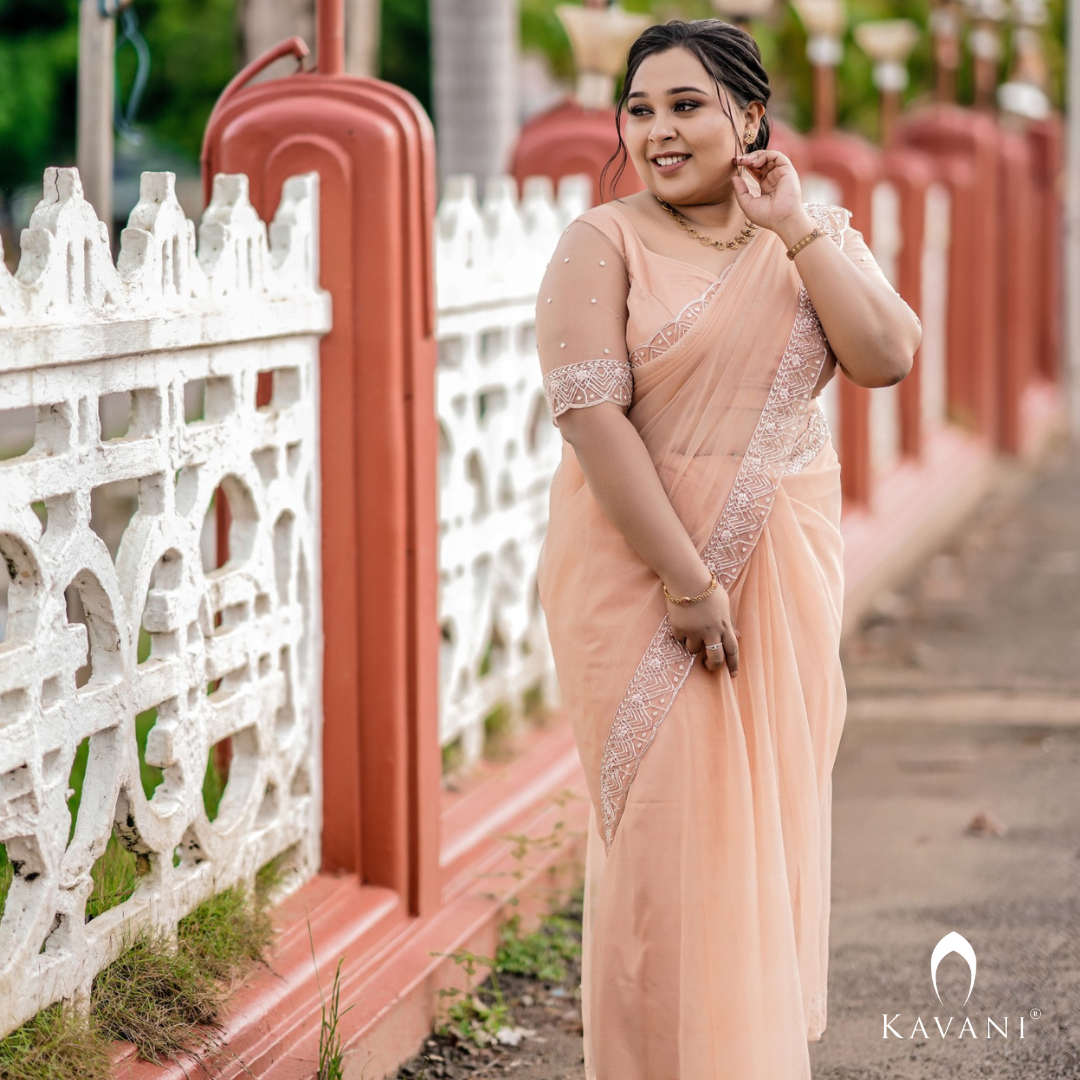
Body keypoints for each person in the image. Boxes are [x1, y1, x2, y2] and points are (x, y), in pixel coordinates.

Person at [534, 19, 921, 1080]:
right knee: (665, 854)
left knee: (750, 849)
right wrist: (688, 581)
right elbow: (592, 422)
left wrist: (794, 227)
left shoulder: (805, 235)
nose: (659, 131)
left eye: (688, 105)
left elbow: (886, 354)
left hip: (778, 579)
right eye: (642, 108)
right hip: (640, 579)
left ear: (749, 117)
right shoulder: (599, 243)